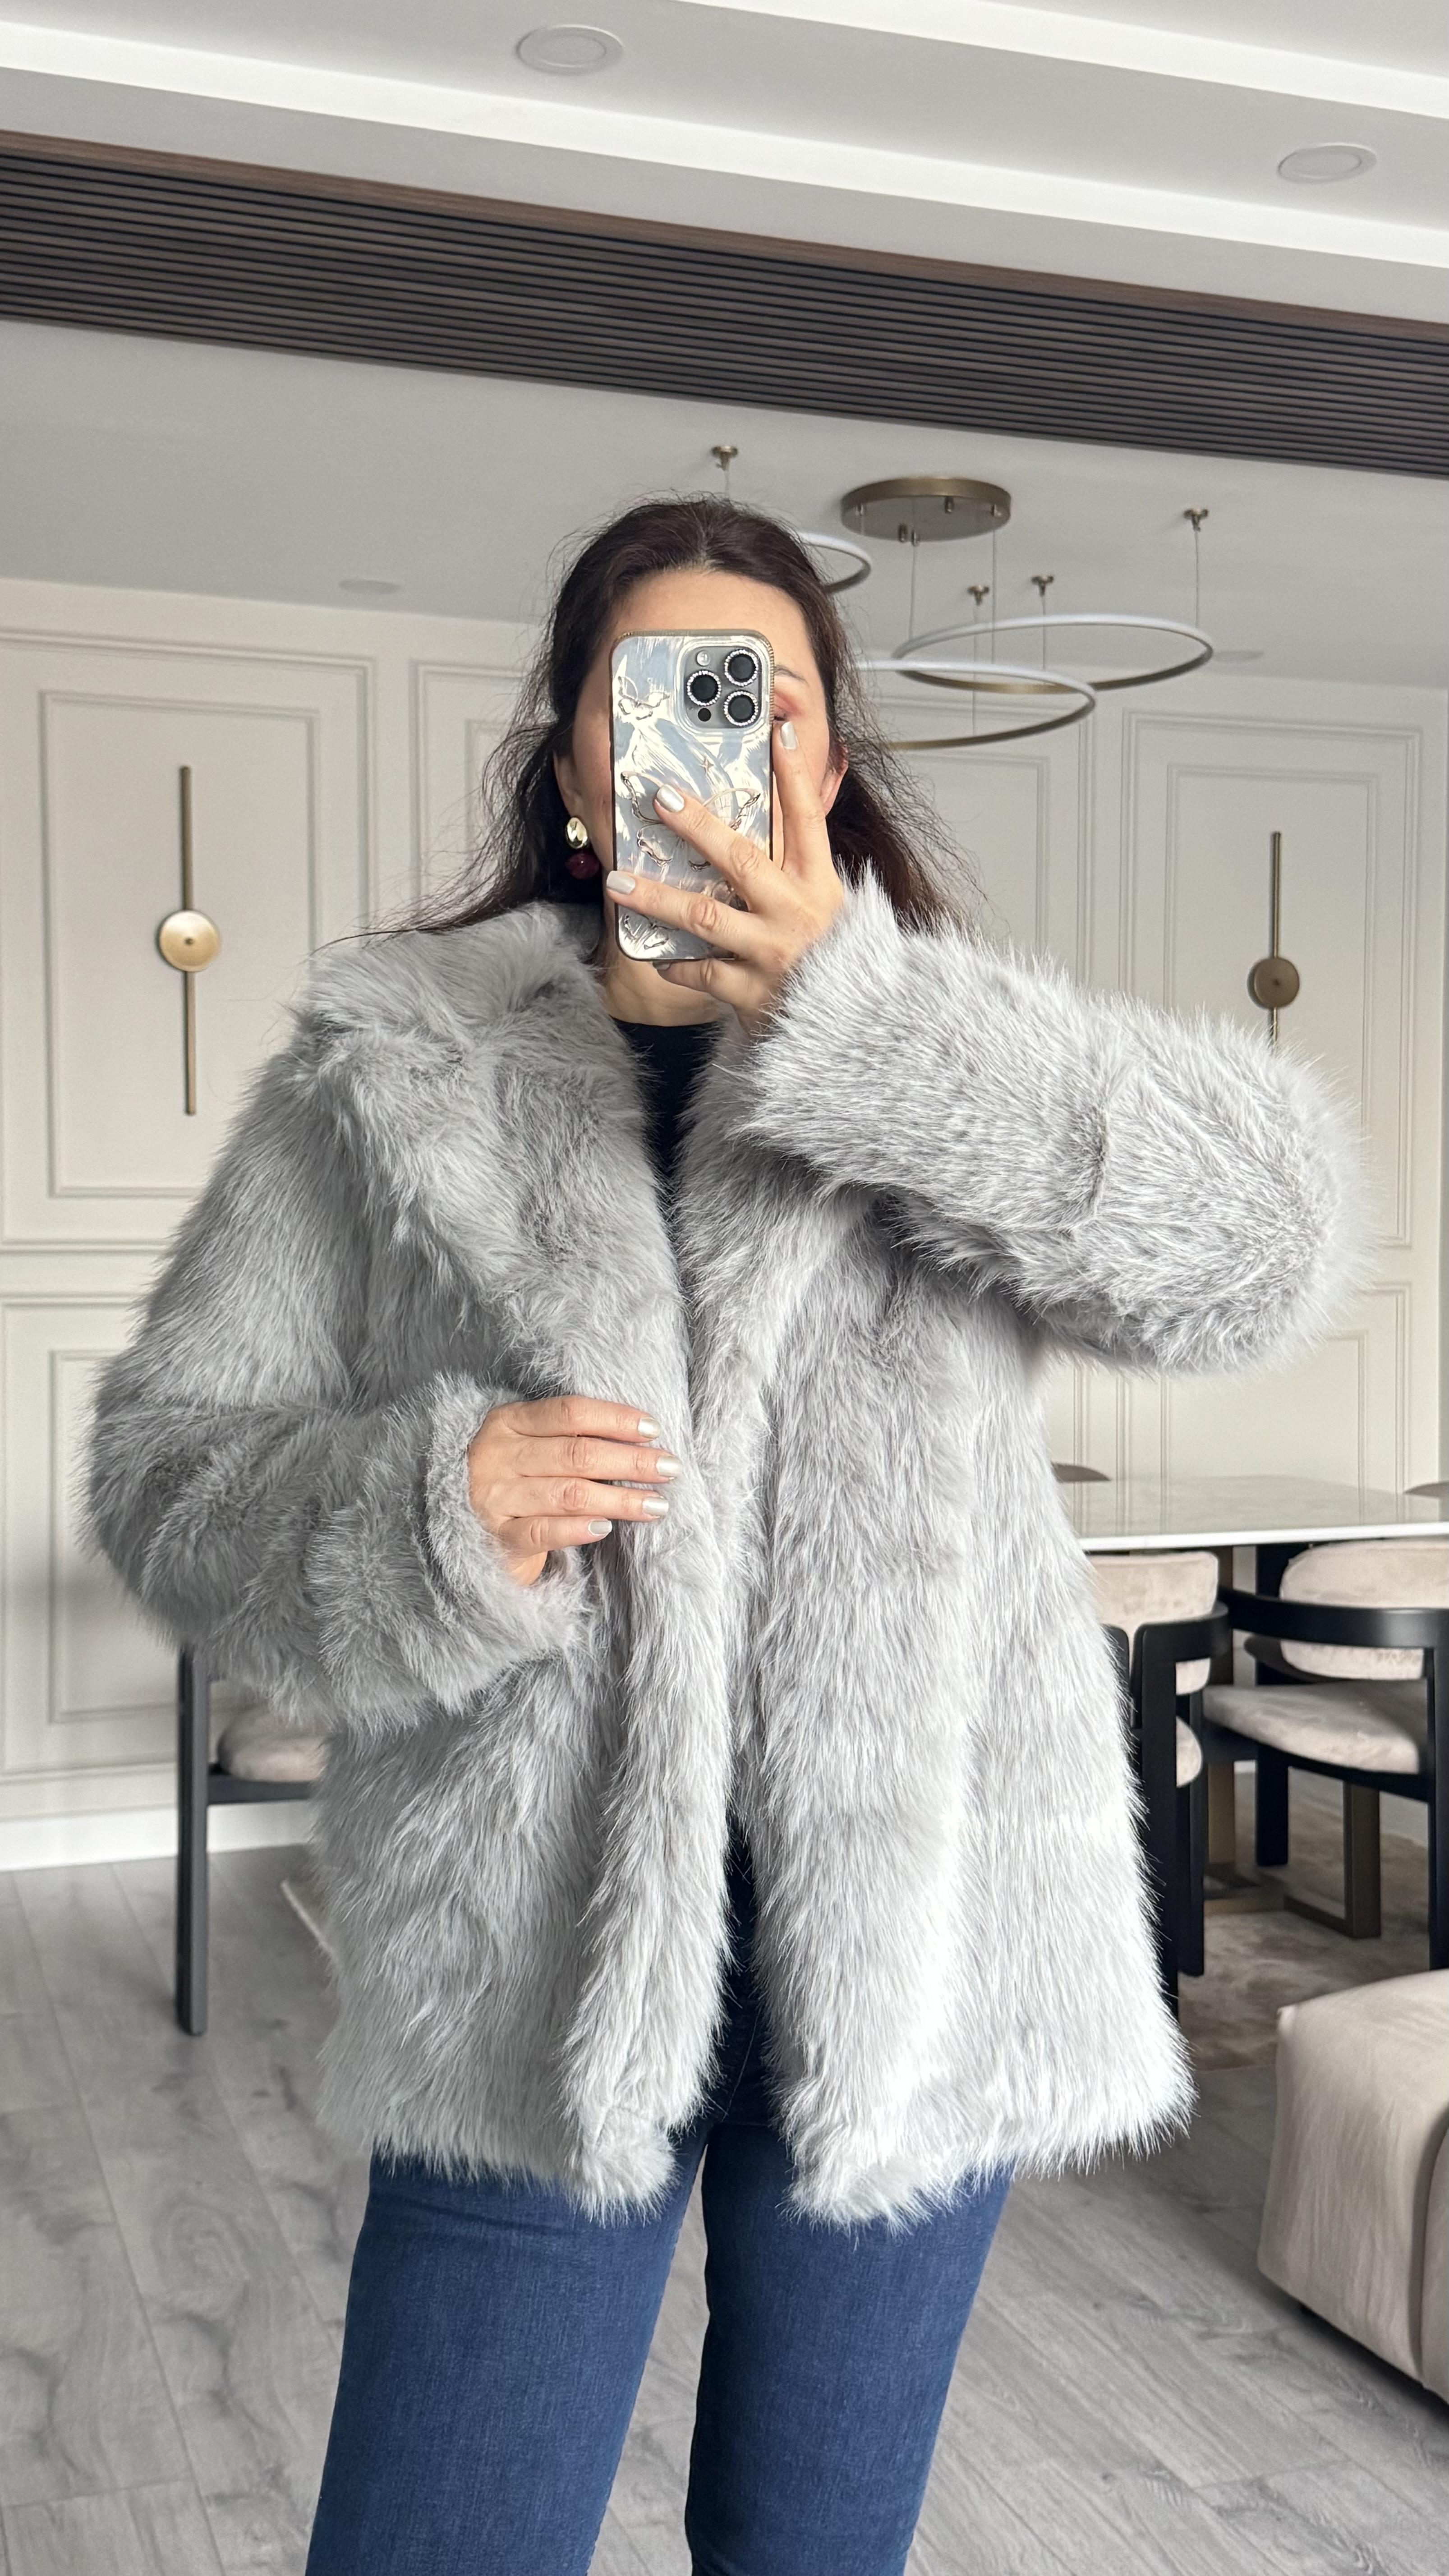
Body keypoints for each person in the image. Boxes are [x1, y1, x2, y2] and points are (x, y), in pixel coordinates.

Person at [84, 497, 1370, 2576]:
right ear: (574, 757)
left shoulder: (954, 1061)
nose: (713, 733)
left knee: (811, 2552)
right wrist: (427, 1510)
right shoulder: (393, 1071)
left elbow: (1268, 1250)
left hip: (918, 1960)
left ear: (826, 757)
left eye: (760, 694)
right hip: (533, 1964)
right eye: (659, 692)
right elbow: (164, 1474)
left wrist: (874, 1030)